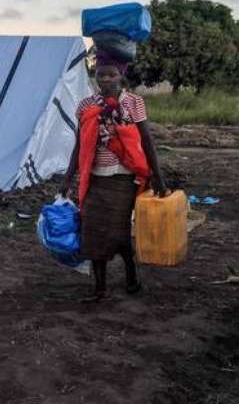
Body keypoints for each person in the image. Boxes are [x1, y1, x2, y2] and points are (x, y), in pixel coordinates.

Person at [60, 49, 168, 302]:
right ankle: (100, 289)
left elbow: (146, 140)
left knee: (118, 233)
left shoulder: (133, 102)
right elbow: (80, 145)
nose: (105, 79)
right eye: (100, 75)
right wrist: (67, 178)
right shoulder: (87, 105)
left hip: (124, 179)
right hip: (94, 177)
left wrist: (159, 177)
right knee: (93, 230)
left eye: (111, 74)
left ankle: (131, 276)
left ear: (121, 75)